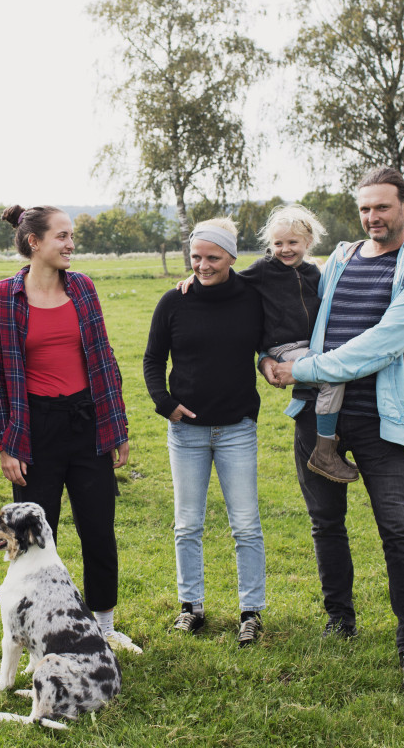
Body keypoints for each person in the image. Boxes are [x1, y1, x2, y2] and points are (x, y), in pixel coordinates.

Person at [263, 167, 404, 694]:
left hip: (379, 422)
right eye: (365, 208)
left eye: (383, 207)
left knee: (398, 530)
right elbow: (283, 300)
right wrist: (270, 359)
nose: (373, 218)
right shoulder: (339, 256)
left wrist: (308, 369)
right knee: (326, 524)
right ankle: (340, 620)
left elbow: (384, 343)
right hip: (315, 414)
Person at [0, 204, 139, 653]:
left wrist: (116, 428)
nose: (71, 244)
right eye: (62, 236)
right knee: (33, 539)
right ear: (35, 242)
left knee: (98, 531)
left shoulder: (84, 289)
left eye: (71, 236)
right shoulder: (3, 296)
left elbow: (104, 358)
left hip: (86, 424)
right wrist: (6, 445)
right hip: (35, 431)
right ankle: (38, 635)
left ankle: (104, 628)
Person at [142, 217, 268, 646]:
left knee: (246, 524)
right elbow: (152, 359)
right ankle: (190, 607)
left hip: (236, 429)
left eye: (212, 257)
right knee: (187, 523)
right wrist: (164, 403)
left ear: (232, 257)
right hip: (187, 433)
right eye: (195, 257)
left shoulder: (253, 298)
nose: (202, 265)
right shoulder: (173, 302)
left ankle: (251, 612)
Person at [241, 204, 355, 482]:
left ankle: (312, 409)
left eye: (293, 242)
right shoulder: (263, 269)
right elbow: (230, 282)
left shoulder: (314, 272)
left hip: (311, 344)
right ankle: (325, 452)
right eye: (278, 243)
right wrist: (195, 279)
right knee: (332, 376)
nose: (285, 249)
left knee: (337, 367)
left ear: (308, 242)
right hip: (284, 346)